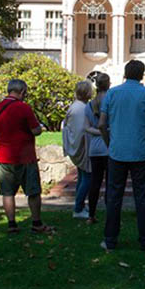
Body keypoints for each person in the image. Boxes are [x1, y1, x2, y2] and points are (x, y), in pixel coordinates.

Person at [98, 60, 145, 251]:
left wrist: (110, 143)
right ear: (142, 75)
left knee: (114, 197)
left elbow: (101, 124)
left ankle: (110, 240)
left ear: (125, 73)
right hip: (141, 153)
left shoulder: (112, 93)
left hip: (117, 153)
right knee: (142, 198)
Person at [0, 79, 52, 234]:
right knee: (33, 191)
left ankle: (12, 224)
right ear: (22, 92)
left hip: (4, 157)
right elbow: (35, 130)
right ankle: (36, 223)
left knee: (7, 192)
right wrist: (40, 128)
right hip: (25, 156)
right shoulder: (23, 108)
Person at [63, 80, 95, 219]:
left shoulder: (76, 106)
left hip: (79, 147)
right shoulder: (81, 109)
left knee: (82, 177)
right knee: (87, 178)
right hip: (82, 148)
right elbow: (82, 130)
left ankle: (80, 205)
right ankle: (78, 208)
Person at [84, 73, 111, 224]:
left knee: (95, 182)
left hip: (94, 148)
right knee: (110, 182)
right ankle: (110, 213)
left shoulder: (89, 105)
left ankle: (91, 214)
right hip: (108, 146)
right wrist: (105, 132)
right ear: (108, 84)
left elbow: (86, 128)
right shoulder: (110, 101)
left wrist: (97, 132)